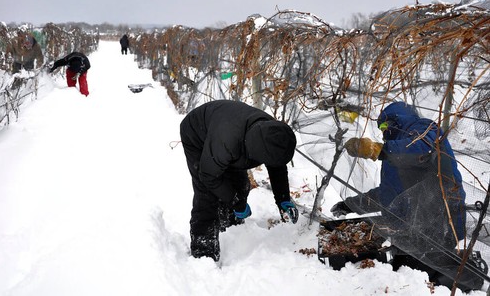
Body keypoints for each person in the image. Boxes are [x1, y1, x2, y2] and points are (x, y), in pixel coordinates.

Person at [330, 101, 483, 291]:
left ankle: (471, 276)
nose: (383, 132)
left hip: (441, 215)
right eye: (381, 129)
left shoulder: (424, 128)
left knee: (432, 272)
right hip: (414, 221)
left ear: (398, 120)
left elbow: (421, 147)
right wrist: (350, 204)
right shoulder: (394, 154)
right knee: (406, 268)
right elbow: (388, 194)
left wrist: (377, 150)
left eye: (385, 126)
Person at [180, 100, 299, 261]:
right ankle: (203, 252)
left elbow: (276, 166)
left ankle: (230, 226)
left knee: (241, 185)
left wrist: (283, 198)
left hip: (227, 135)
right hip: (197, 134)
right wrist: (236, 202)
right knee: (207, 195)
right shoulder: (227, 142)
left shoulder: (272, 132)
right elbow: (208, 176)